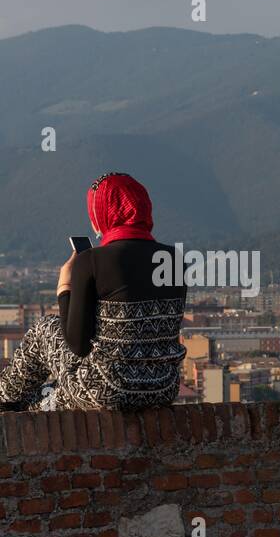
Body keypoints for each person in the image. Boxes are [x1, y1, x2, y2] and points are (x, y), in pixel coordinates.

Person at [0, 173, 186, 411]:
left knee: (45, 328)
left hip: (108, 388)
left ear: (102, 212)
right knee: (46, 399)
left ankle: (5, 396)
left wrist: (64, 287)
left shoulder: (91, 260)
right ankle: (32, 403)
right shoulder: (175, 259)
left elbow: (77, 345)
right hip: (163, 388)